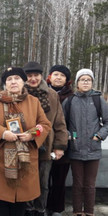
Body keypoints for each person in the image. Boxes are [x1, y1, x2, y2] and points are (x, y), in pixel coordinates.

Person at [0, 67, 51, 216]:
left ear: (23, 82)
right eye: (9, 79)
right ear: (5, 84)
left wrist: (32, 134)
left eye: (17, 78)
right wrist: (3, 133)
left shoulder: (33, 102)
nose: (13, 82)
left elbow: (45, 125)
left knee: (19, 209)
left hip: (24, 165)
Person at [23, 61, 68, 216]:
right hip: (25, 145)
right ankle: (28, 208)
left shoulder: (52, 95)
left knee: (43, 182)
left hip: (46, 145)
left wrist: (60, 146)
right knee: (26, 180)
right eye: (29, 76)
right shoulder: (21, 93)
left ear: (42, 76)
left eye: (36, 75)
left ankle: (40, 209)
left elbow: (59, 123)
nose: (33, 79)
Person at [62, 69, 108, 216]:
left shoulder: (98, 99)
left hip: (93, 149)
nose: (86, 82)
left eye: (88, 79)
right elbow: (62, 123)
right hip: (75, 149)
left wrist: (99, 136)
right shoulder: (70, 100)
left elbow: (107, 122)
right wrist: (69, 136)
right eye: (82, 79)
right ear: (77, 83)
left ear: (92, 82)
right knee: (78, 184)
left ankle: (89, 212)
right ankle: (77, 211)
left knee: (90, 185)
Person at [46, 65, 74, 216]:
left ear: (67, 80)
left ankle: (56, 209)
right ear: (49, 76)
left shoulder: (71, 97)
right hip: (44, 143)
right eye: (55, 74)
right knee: (42, 181)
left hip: (63, 145)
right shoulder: (41, 93)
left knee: (59, 181)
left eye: (62, 75)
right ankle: (41, 206)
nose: (58, 77)